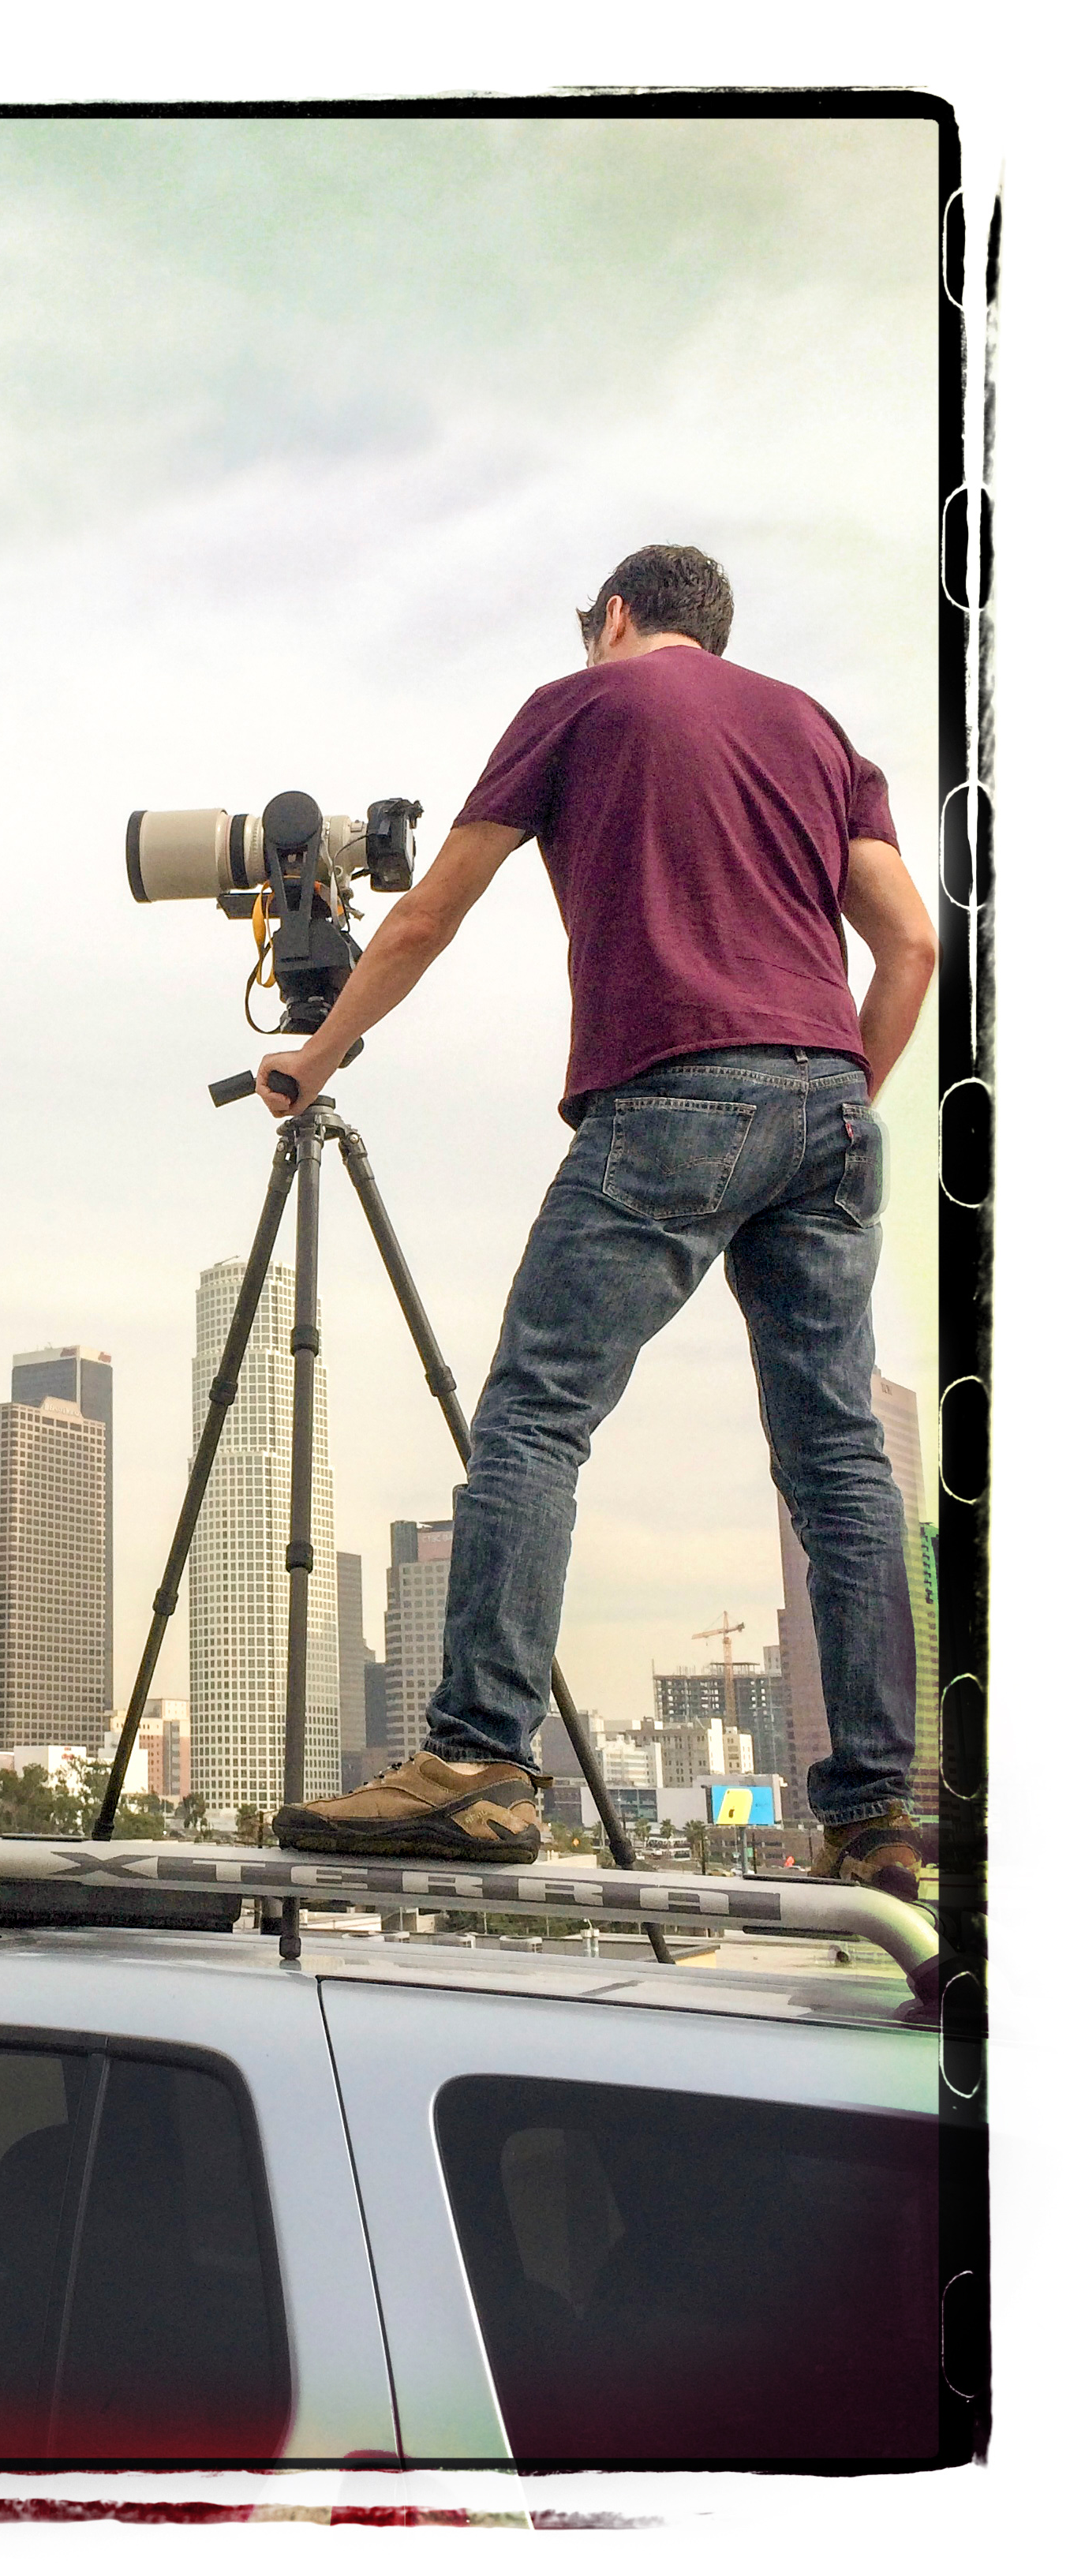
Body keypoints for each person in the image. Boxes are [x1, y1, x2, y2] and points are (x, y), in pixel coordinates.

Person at [260, 545, 937, 1902]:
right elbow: (910, 945)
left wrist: (313, 1060)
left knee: (534, 1415)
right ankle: (874, 1817)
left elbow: (427, 918)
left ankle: (477, 1766)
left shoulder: (583, 704)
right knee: (840, 1463)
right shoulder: (815, 731)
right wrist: (835, 1102)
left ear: (615, 617)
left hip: (674, 1087)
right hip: (832, 1101)